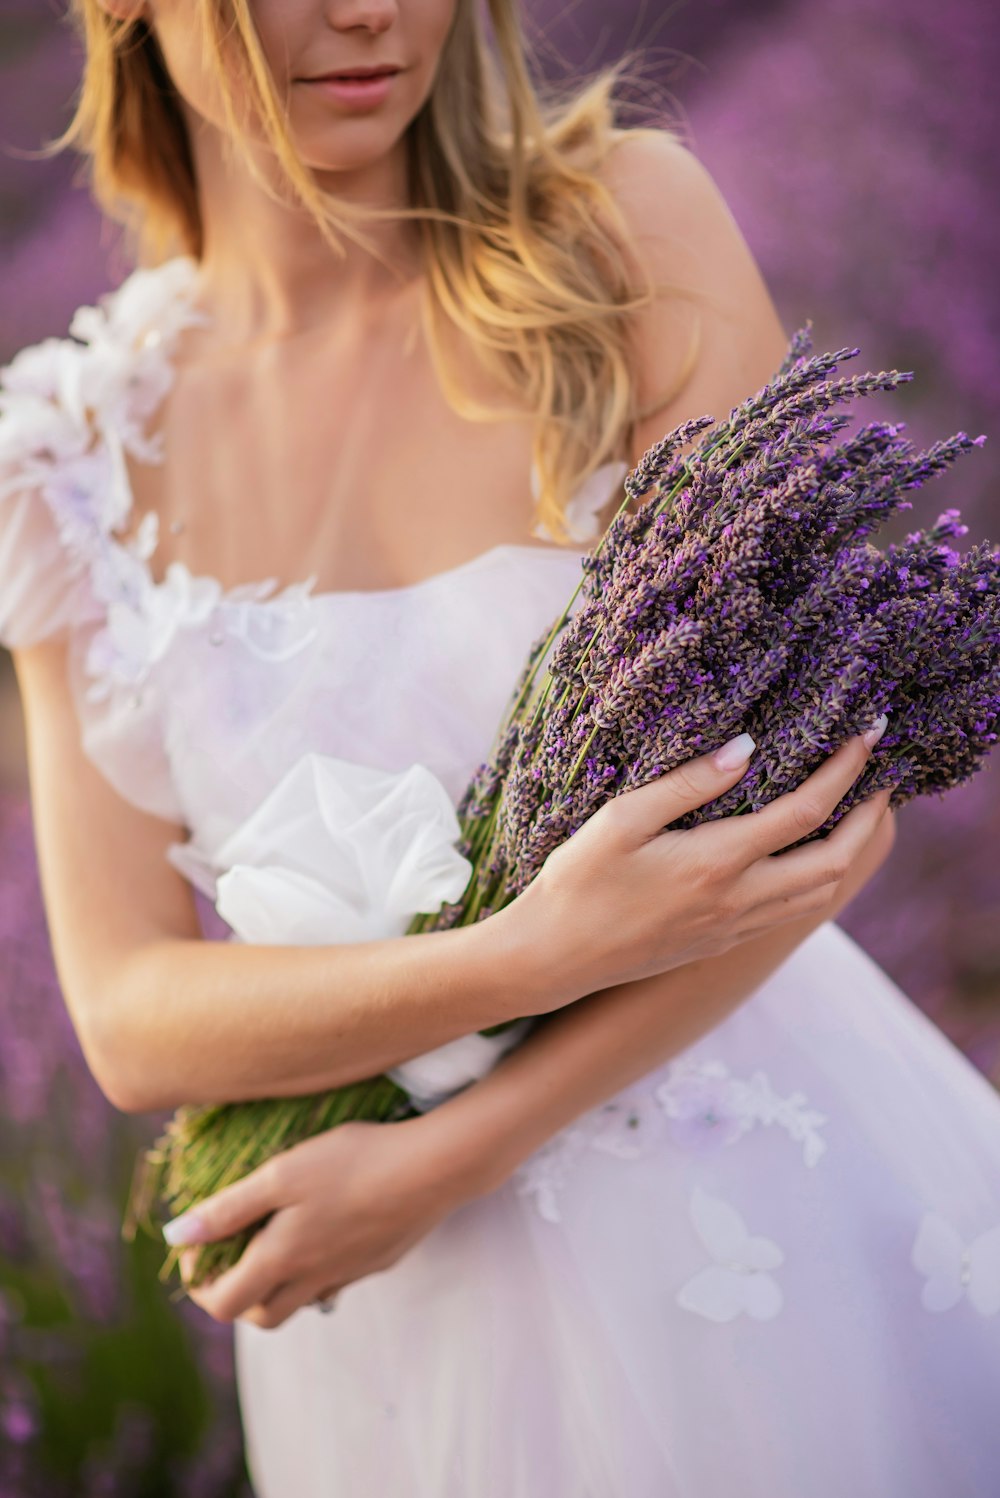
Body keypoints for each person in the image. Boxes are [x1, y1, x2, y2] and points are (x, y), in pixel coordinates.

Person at [2, 1, 998, 1494]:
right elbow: (133, 1014)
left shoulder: (622, 230)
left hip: (752, 1230)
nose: (369, 11)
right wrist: (523, 956)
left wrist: (446, 1153)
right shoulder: (62, 455)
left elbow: (819, 806)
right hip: (385, 1332)